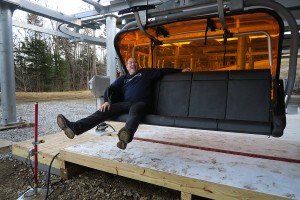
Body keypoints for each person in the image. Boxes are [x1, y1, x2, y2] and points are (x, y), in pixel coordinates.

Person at [57, 57, 191, 150]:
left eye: (135, 62)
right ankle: (75, 127)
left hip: (142, 103)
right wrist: (106, 102)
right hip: (126, 104)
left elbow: (163, 71)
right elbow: (110, 89)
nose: (133, 64)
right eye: (130, 63)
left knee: (135, 110)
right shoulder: (124, 78)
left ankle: (126, 134)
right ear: (126, 67)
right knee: (103, 112)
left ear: (138, 65)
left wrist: (180, 71)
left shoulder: (146, 73)